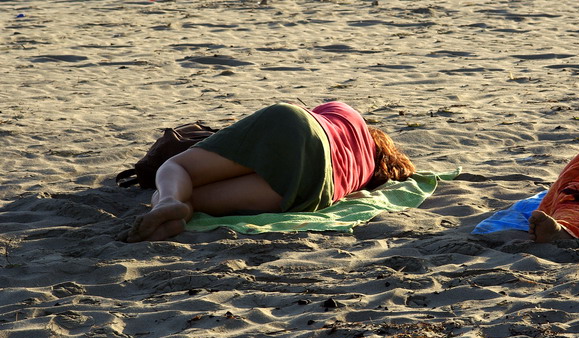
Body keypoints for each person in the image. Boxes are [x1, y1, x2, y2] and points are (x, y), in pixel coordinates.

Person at [122, 101, 414, 242]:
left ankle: (169, 203)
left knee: (176, 168)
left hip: (296, 126)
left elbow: (312, 115)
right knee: (195, 197)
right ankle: (175, 215)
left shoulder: (350, 115)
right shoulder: (363, 172)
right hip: (310, 189)